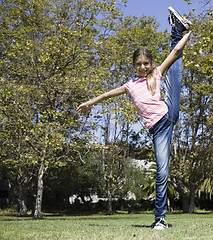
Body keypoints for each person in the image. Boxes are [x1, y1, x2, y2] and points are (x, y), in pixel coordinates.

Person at [77, 7, 192, 230]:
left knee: (175, 71)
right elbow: (107, 94)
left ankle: (178, 31)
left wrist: (189, 34)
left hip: (167, 113)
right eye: (138, 64)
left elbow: (176, 53)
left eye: (146, 63)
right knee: (162, 172)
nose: (142, 67)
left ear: (150, 63)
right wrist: (89, 103)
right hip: (158, 130)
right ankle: (160, 219)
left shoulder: (156, 73)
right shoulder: (130, 86)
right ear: (133, 66)